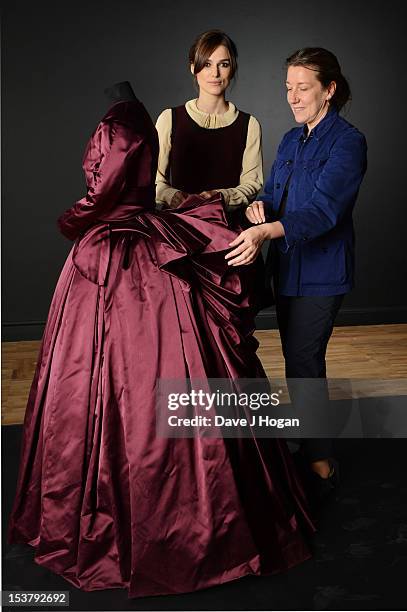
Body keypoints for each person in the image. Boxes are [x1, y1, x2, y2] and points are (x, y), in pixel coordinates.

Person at [8, 81, 315, 599]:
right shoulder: (141, 120)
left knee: (116, 369)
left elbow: (103, 184)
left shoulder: (120, 127)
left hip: (121, 243)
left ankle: (154, 515)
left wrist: (80, 216)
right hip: (144, 235)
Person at [226, 48, 368, 497]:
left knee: (305, 360)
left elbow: (325, 211)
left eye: (302, 88)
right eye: (288, 88)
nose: (293, 96)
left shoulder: (348, 141)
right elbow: (273, 193)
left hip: (323, 273)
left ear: (329, 90)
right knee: (296, 359)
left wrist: (267, 229)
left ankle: (320, 456)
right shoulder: (289, 139)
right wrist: (260, 207)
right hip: (286, 269)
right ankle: (311, 441)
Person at [156, 28, 272, 309]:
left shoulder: (249, 124)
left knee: (233, 331)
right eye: (207, 64)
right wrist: (182, 199)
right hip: (182, 236)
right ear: (192, 68)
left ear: (233, 68)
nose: (215, 73)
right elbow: (154, 182)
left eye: (223, 64)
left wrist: (217, 197)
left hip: (231, 239)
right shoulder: (170, 119)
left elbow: (252, 183)